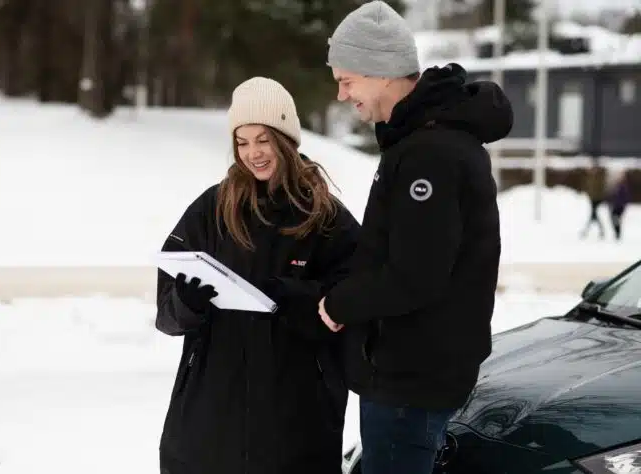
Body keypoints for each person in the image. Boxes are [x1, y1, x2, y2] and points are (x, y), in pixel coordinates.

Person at [317, 2, 514, 473]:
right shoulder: (423, 142)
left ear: (382, 73)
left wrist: (340, 303)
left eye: (347, 81)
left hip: (411, 378)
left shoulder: (430, 154)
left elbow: (415, 275)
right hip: (414, 370)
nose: (343, 95)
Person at [155, 76, 360, 474]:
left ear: (285, 139)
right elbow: (166, 313)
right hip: (209, 418)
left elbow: (356, 296)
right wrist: (187, 303)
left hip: (297, 418)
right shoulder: (210, 210)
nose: (253, 153)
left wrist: (289, 296)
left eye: (263, 139)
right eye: (242, 142)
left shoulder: (325, 217)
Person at [580, 162, 606, 239]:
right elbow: (588, 187)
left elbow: (599, 189)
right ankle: (599, 231)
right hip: (592, 198)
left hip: (597, 199)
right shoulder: (590, 177)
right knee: (594, 215)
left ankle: (586, 231)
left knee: (593, 214)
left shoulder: (599, 178)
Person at [608, 170, 631, 240]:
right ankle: (617, 233)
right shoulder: (615, 186)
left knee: (616, 218)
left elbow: (626, 197)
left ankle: (618, 233)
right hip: (615, 205)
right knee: (614, 219)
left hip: (620, 206)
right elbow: (612, 196)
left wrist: (622, 204)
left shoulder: (623, 186)